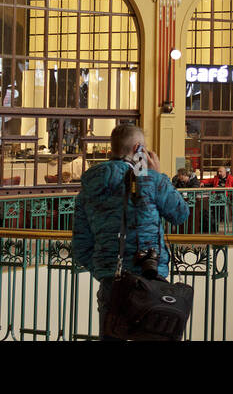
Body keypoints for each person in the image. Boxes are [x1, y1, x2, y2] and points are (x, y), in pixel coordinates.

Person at [72, 124, 190, 340]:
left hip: (111, 284)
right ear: (138, 149)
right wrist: (159, 175)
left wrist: (105, 268)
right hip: (150, 280)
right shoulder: (152, 179)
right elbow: (181, 214)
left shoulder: (87, 189)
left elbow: (80, 246)